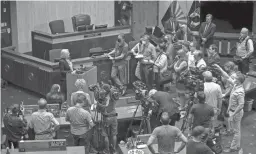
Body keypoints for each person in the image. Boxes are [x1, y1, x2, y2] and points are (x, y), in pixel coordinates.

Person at [213, 65, 245, 152]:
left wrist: (233, 114)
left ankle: (234, 147)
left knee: (236, 131)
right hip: (232, 111)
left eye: (235, 79)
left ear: (238, 81)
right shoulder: (235, 85)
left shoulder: (240, 91)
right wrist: (220, 68)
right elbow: (227, 77)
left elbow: (241, 105)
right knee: (236, 130)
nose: (233, 79)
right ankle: (235, 145)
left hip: (236, 113)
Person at [96, 84, 118, 154]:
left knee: (105, 135)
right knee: (114, 134)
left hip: (106, 118)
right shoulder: (113, 97)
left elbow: (98, 110)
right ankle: (114, 150)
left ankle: (107, 150)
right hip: (114, 116)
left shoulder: (102, 99)